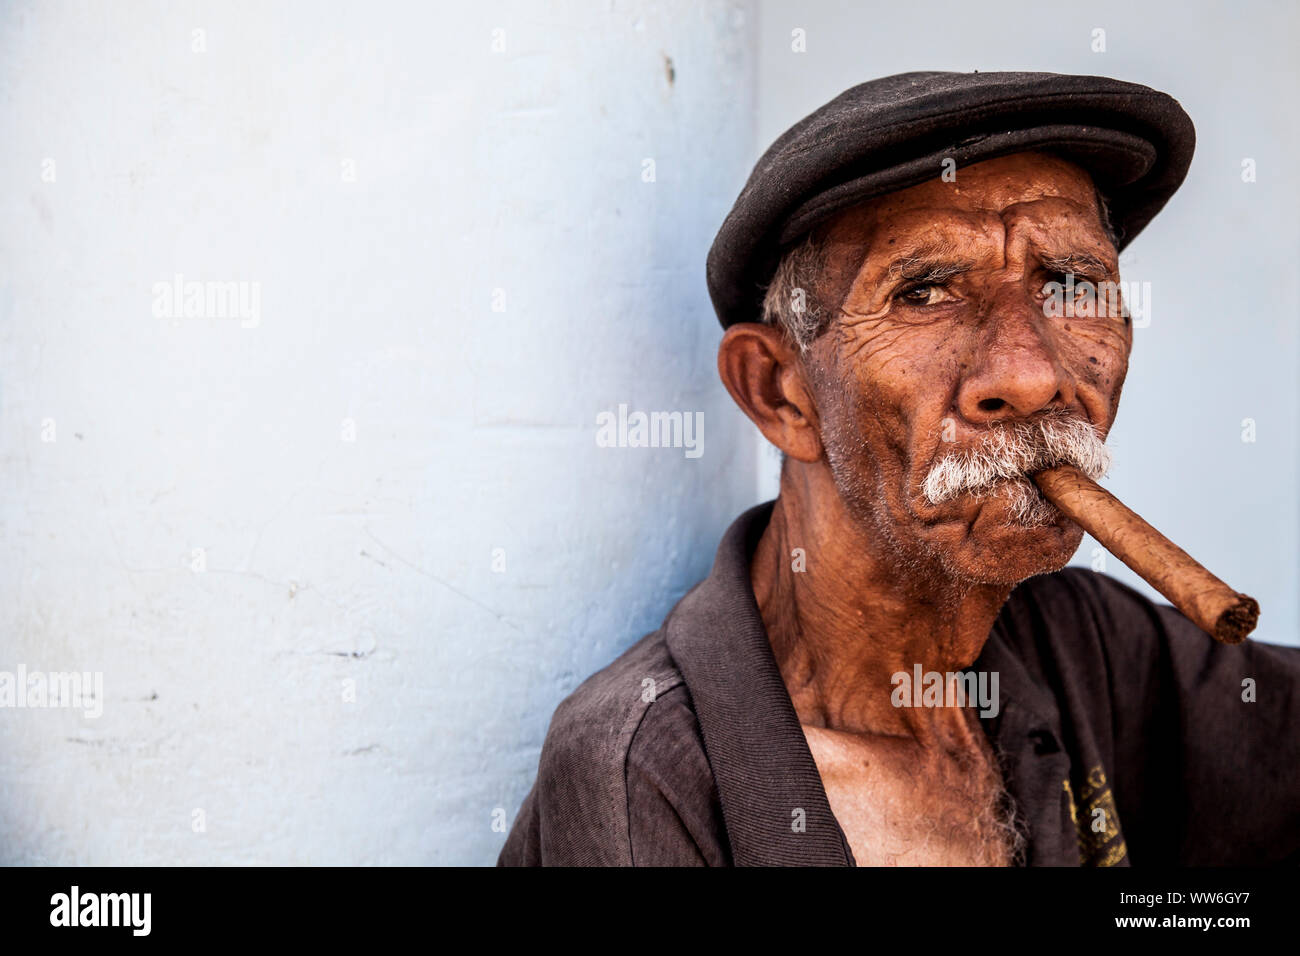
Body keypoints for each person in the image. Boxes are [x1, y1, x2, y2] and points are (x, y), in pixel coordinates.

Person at [499, 71, 1300, 866]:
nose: (1030, 375)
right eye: (924, 292)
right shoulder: (648, 774)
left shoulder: (1080, 642)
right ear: (781, 393)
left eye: (1070, 284)